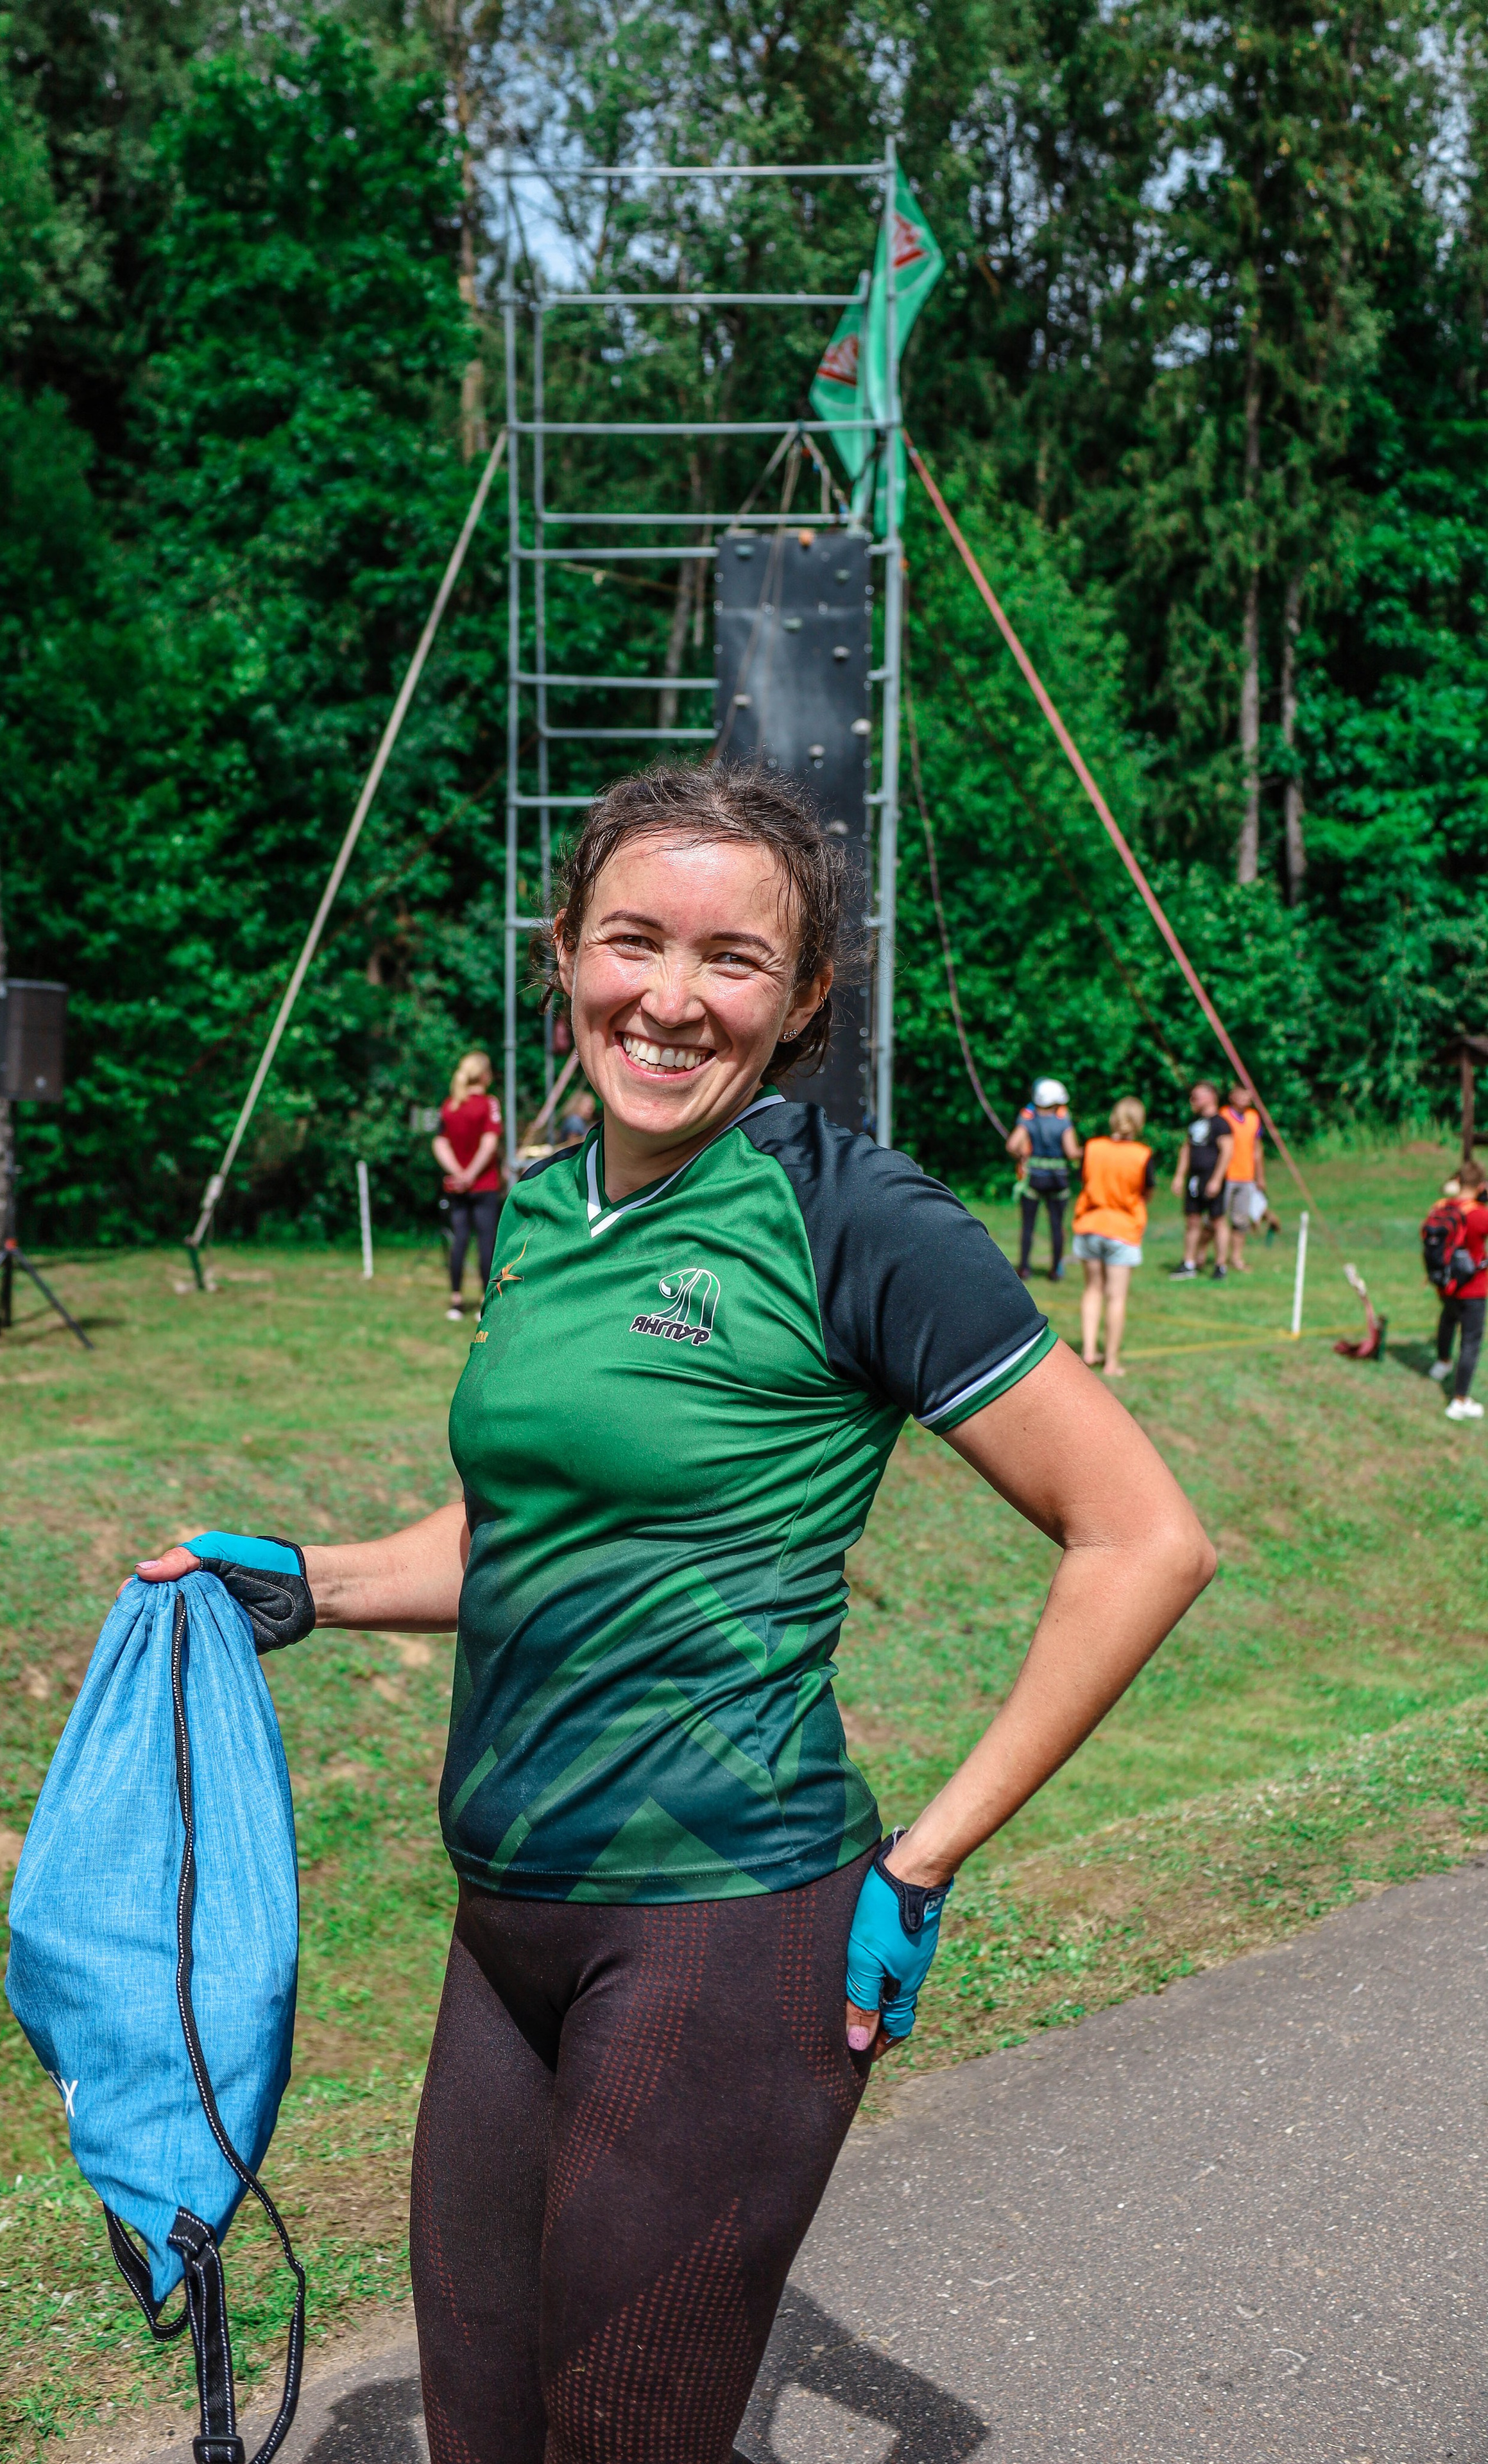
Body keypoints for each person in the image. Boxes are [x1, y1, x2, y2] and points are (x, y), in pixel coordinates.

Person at [135, 764, 1213, 2464]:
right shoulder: (545, 1208)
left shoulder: (852, 1217)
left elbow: (1142, 1539)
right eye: (633, 940)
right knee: (481, 2432)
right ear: (565, 950)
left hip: (728, 1932)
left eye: (733, 959)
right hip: (508, 1928)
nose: (671, 997)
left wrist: (923, 1862)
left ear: (802, 997)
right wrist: (300, 1579)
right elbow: (521, 1535)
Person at [1072, 1097, 1155, 1377]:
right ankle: (1111, 1362)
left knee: (1093, 1289)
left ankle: (1089, 1352)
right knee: (1116, 1297)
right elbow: (1147, 1192)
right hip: (1123, 1229)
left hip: (1090, 1224)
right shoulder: (1142, 1155)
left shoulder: (1093, 1147)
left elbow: (1085, 1181)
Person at [433, 1050, 502, 1321]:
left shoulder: (450, 1105)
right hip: (484, 1185)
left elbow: (440, 1143)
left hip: (458, 1187)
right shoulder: (489, 1104)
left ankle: (456, 1300)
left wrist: (459, 1174)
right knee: (486, 1242)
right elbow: (489, 1143)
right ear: (484, 1075)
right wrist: (472, 1174)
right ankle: (486, 1300)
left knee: (459, 1240)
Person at [1426, 1160, 1488, 1421]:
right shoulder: (1479, 1214)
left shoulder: (1441, 1207)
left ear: (1458, 1181)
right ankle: (1460, 1401)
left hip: (1445, 1284)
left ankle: (1442, 1363)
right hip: (1473, 1288)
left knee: (1448, 1319)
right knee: (1471, 1342)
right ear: (1481, 1186)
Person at [1007, 1077, 1082, 1281]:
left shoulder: (1028, 1120)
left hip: (1034, 1179)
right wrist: (1087, 1151)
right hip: (1058, 1180)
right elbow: (1072, 1152)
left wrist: (1022, 1156)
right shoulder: (1063, 1121)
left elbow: (1012, 1145)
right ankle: (1056, 1270)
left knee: (1028, 1226)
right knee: (1057, 1226)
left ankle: (1024, 1268)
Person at [1170, 1080, 1233, 1279]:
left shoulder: (1221, 1124)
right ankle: (1189, 1263)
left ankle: (1220, 1265)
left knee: (1217, 1220)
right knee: (1192, 1220)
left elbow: (1227, 1152)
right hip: (1194, 1180)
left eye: (1196, 1097)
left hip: (1212, 1177)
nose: (1192, 1101)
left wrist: (1217, 1179)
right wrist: (1179, 1176)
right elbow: (1187, 1149)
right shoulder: (1195, 1123)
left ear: (1211, 1097)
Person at [1217, 1083, 1267, 1272]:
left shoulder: (1254, 1117)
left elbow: (1257, 1150)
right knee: (1216, 1219)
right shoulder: (1223, 1116)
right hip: (1226, 1175)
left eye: (1248, 1095)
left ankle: (1236, 1258)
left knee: (1241, 1221)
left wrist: (1260, 1176)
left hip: (1246, 1176)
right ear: (1232, 1096)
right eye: (1242, 1094)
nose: (1246, 1098)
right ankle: (1204, 1256)